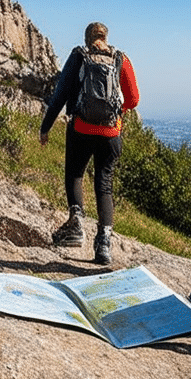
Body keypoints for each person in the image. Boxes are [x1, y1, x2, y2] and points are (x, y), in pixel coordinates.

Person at [39, 22, 140, 265]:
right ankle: (104, 244)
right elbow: (134, 98)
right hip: (110, 133)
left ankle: (76, 226)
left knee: (75, 174)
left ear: (87, 38)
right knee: (104, 184)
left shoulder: (79, 56)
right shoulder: (120, 58)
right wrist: (119, 112)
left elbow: (60, 94)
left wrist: (46, 127)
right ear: (106, 37)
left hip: (81, 128)